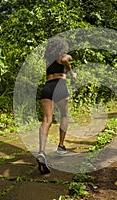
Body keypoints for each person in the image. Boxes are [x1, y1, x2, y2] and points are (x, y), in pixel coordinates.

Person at [36, 37, 77, 174]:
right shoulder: (64, 56)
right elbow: (65, 60)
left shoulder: (48, 60)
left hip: (47, 87)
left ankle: (41, 151)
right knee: (64, 115)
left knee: (46, 120)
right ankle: (61, 145)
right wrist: (71, 72)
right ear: (63, 47)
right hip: (60, 86)